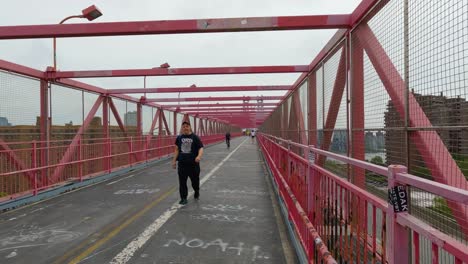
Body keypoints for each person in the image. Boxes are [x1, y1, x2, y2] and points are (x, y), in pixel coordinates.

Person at [172, 121, 204, 205]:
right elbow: (176, 150)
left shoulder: (195, 137)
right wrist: (174, 161)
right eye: (183, 126)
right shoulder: (179, 138)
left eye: (187, 126)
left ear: (190, 127)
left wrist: (199, 156)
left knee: (195, 181)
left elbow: (200, 148)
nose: (185, 128)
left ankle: (196, 190)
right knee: (182, 182)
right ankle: (183, 198)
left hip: (193, 164)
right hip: (182, 164)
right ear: (182, 128)